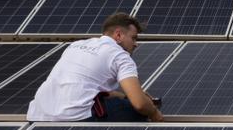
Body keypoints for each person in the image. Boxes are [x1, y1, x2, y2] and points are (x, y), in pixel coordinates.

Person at [27, 12, 164, 122]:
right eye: (133, 38)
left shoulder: (75, 45)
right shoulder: (120, 55)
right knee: (139, 112)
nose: (135, 44)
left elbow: (79, 84)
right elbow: (139, 103)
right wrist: (153, 112)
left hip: (38, 113)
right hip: (75, 116)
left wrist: (120, 96)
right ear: (118, 35)